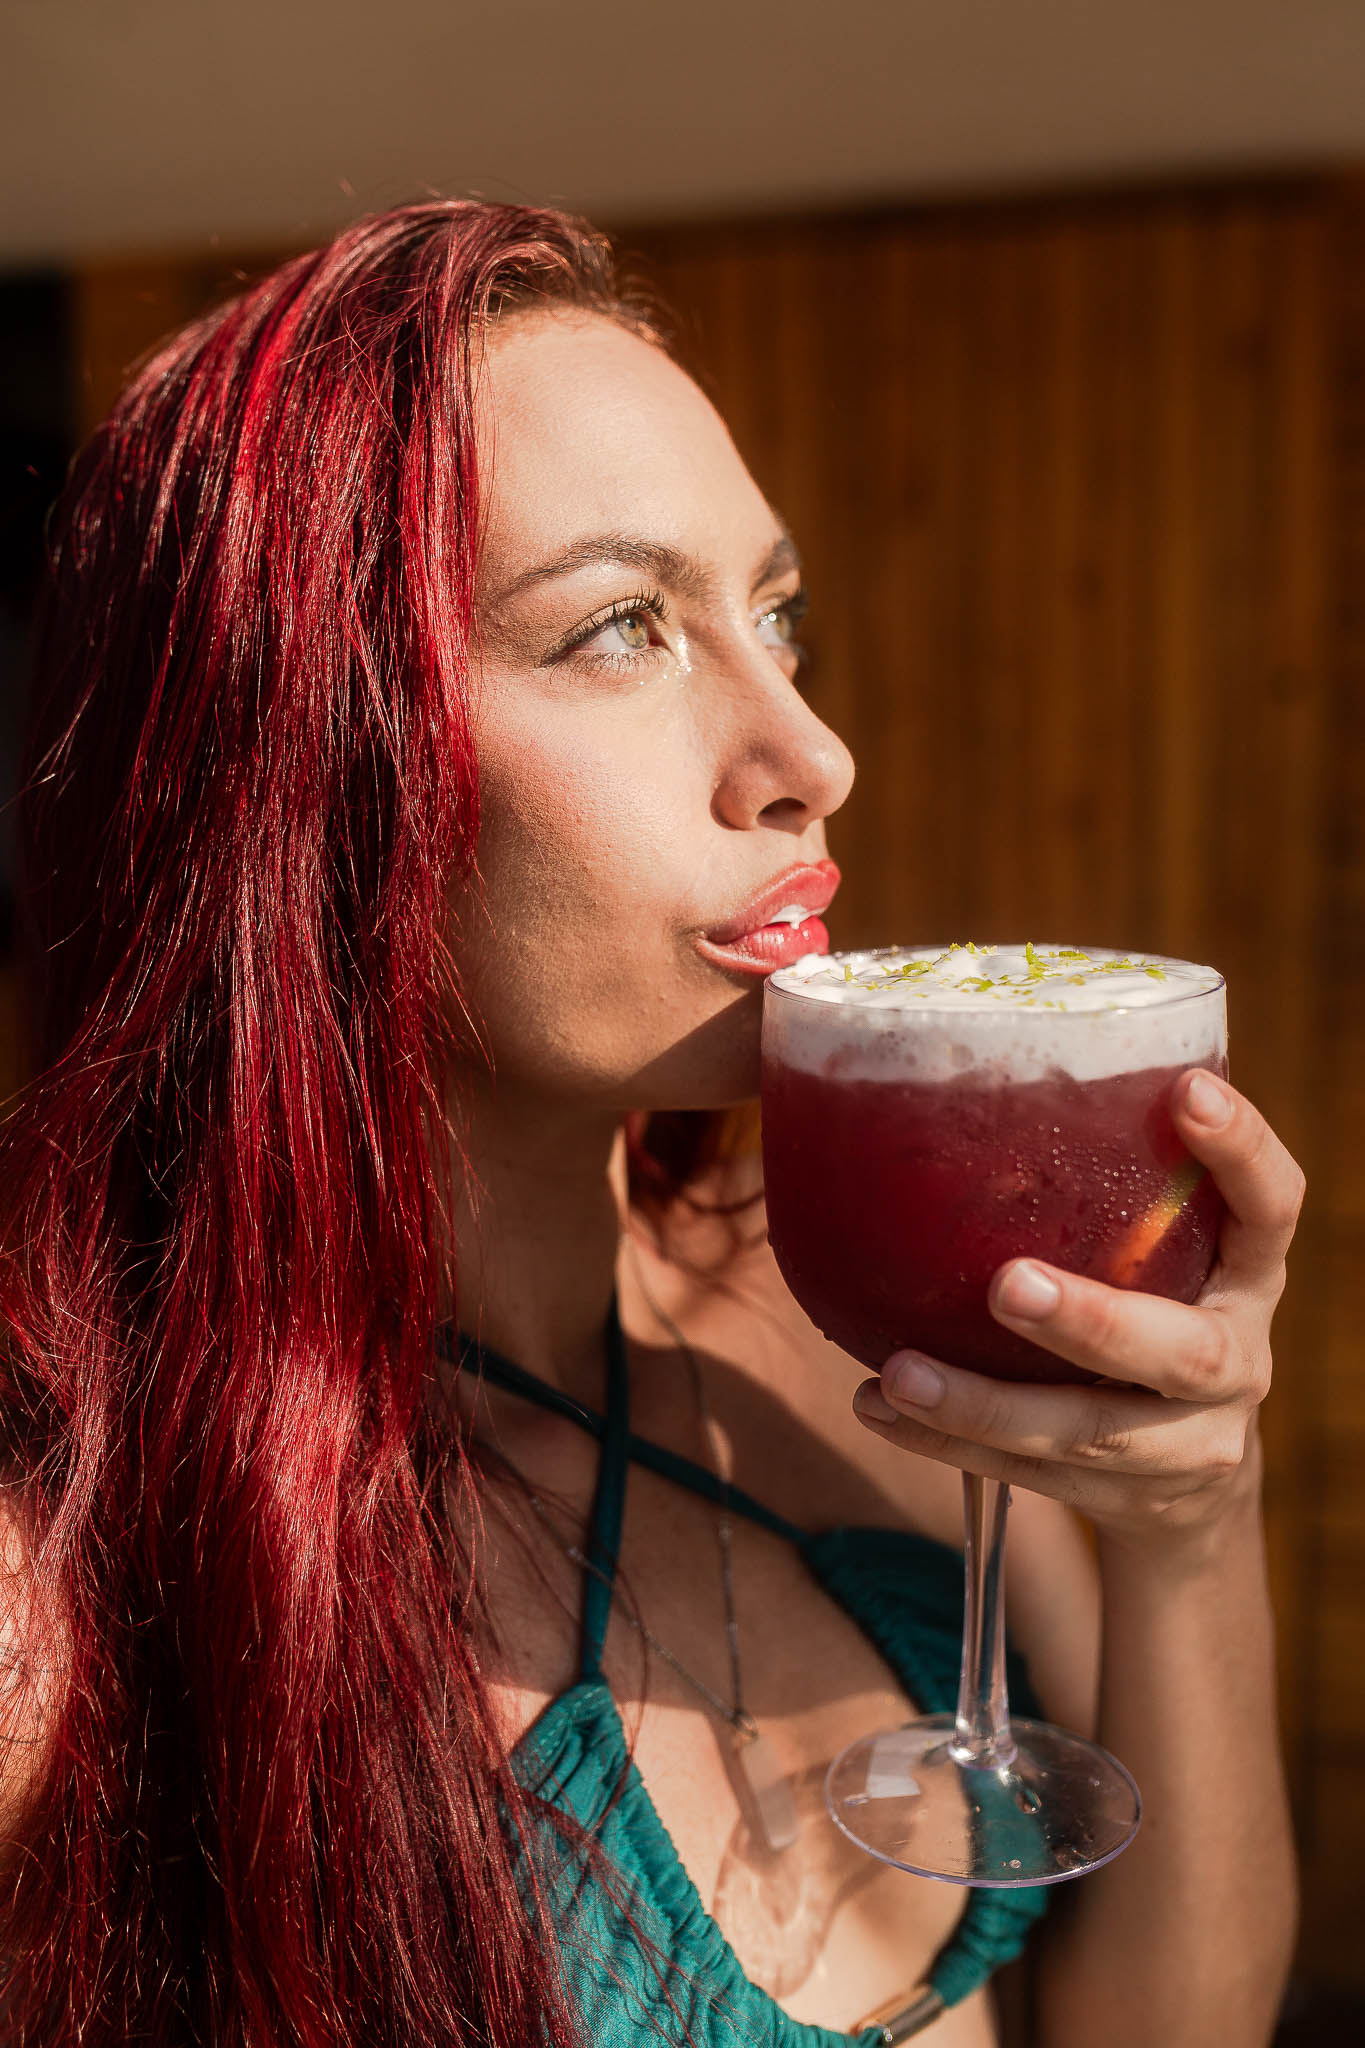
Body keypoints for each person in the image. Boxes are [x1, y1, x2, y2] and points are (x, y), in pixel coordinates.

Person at [0, 201, 1300, 2047]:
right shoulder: (67, 1592)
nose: (810, 757)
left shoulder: (852, 1333)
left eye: (776, 616)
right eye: (620, 627)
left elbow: (1163, 2026)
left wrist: (1189, 1521)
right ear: (282, 766)